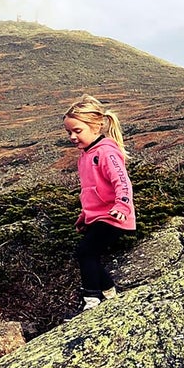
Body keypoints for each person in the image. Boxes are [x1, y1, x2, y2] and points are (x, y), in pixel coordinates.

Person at [62, 94, 136, 316]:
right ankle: (110, 294)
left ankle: (91, 300)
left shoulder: (106, 151)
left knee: (85, 251)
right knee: (88, 253)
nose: (72, 137)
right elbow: (90, 190)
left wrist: (122, 206)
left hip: (115, 215)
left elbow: (122, 181)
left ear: (95, 126)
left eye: (77, 131)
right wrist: (84, 215)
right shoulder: (85, 155)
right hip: (98, 215)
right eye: (69, 132)